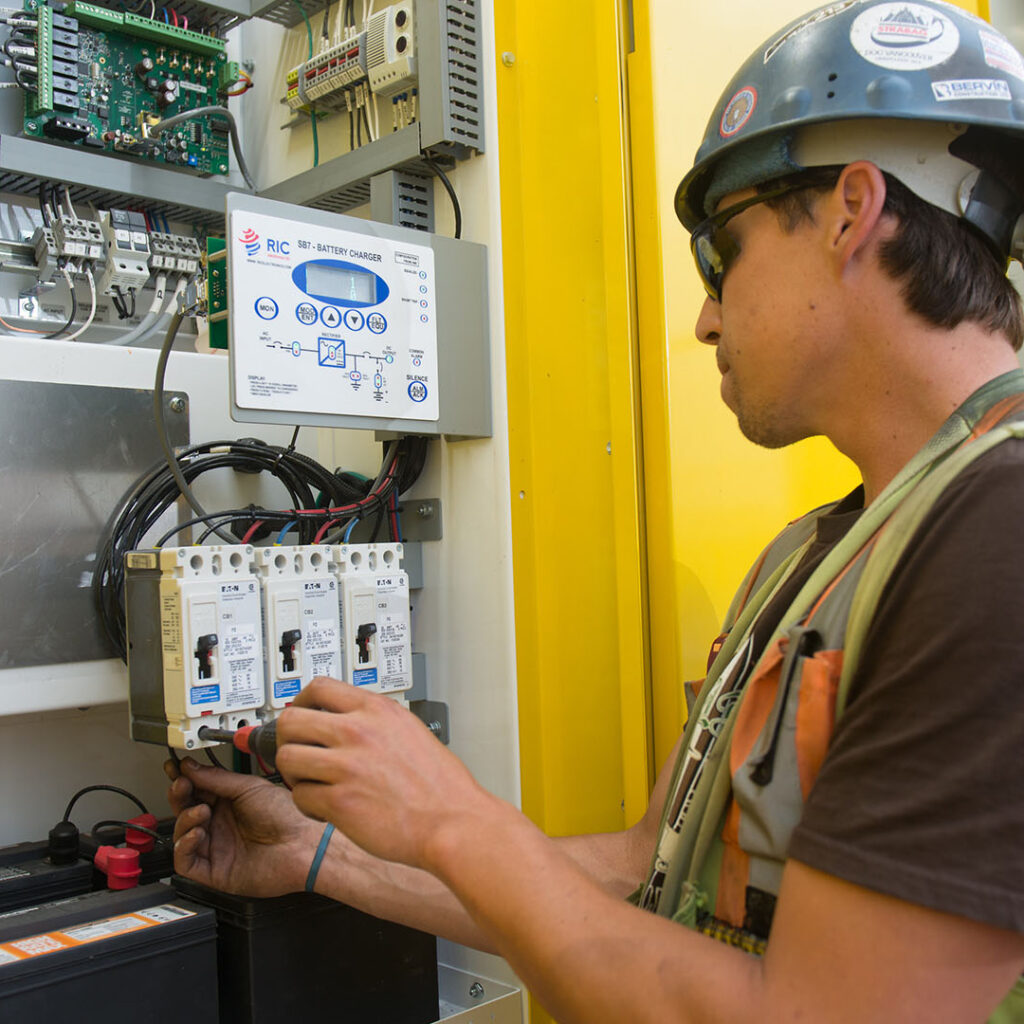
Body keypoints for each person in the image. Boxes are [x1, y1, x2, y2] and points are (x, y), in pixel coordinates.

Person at [168, 2, 1024, 1020]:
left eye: (722, 251)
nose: (705, 315)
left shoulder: (996, 535)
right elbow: (640, 876)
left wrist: (449, 817)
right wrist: (325, 858)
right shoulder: (817, 554)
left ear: (850, 210)